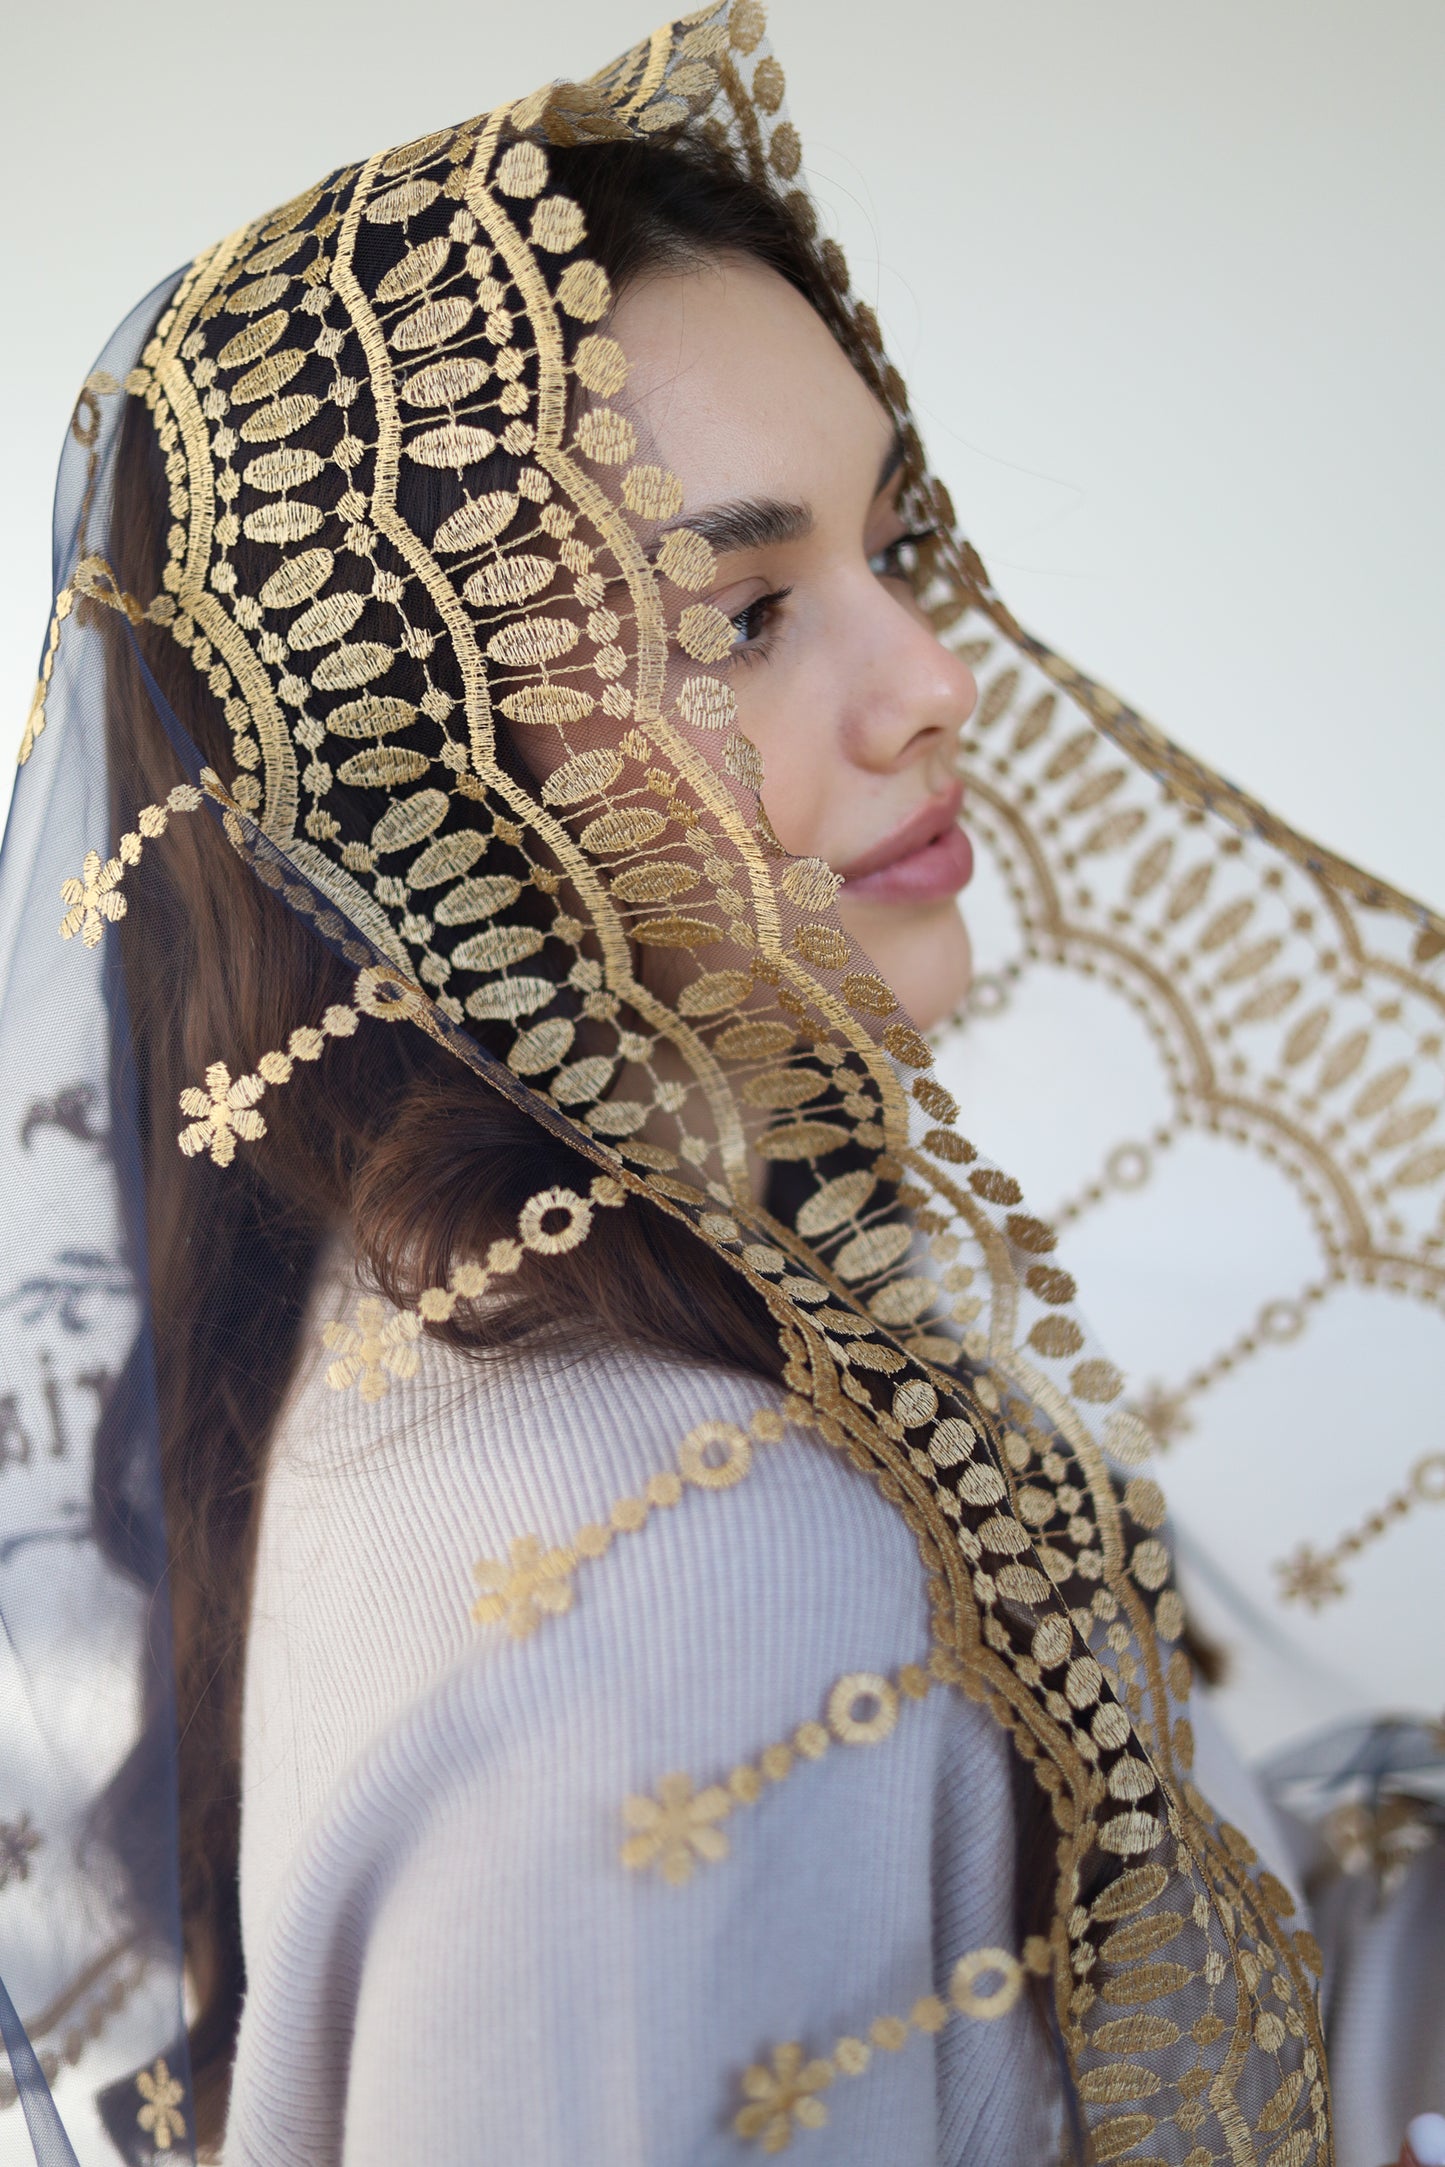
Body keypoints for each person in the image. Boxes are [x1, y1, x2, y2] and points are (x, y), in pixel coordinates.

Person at [0, 5, 1439, 2163]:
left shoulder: (452, 1328)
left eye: (892, 547)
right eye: (749, 609)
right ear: (419, 783)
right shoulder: (714, 1578)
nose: (935, 682)